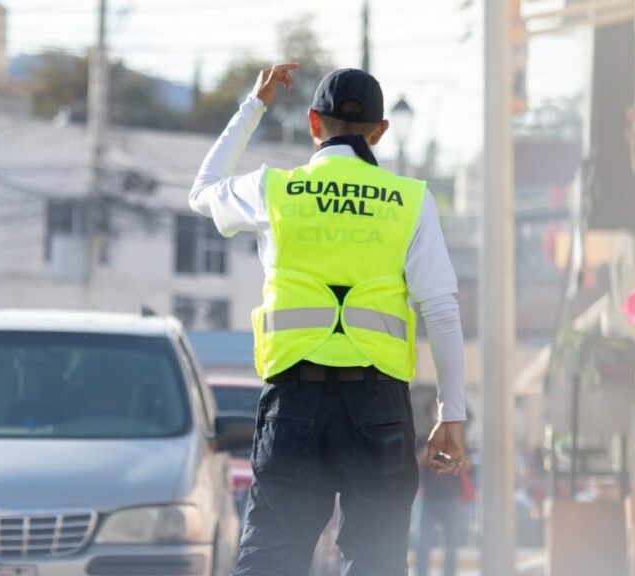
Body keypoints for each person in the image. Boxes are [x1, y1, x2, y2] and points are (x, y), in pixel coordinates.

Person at [189, 64, 469, 576]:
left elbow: (202, 189)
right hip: (378, 406)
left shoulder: (273, 190)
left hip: (294, 402)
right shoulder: (410, 201)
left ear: (314, 123)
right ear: (380, 132)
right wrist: (452, 417)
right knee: (376, 559)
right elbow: (442, 312)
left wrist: (255, 104)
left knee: (271, 559)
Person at [415, 405, 476, 576]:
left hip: (452, 500)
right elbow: (416, 461)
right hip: (429, 500)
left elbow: (467, 465)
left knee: (451, 546)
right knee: (423, 544)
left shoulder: (456, 439)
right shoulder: (423, 439)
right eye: (435, 411)